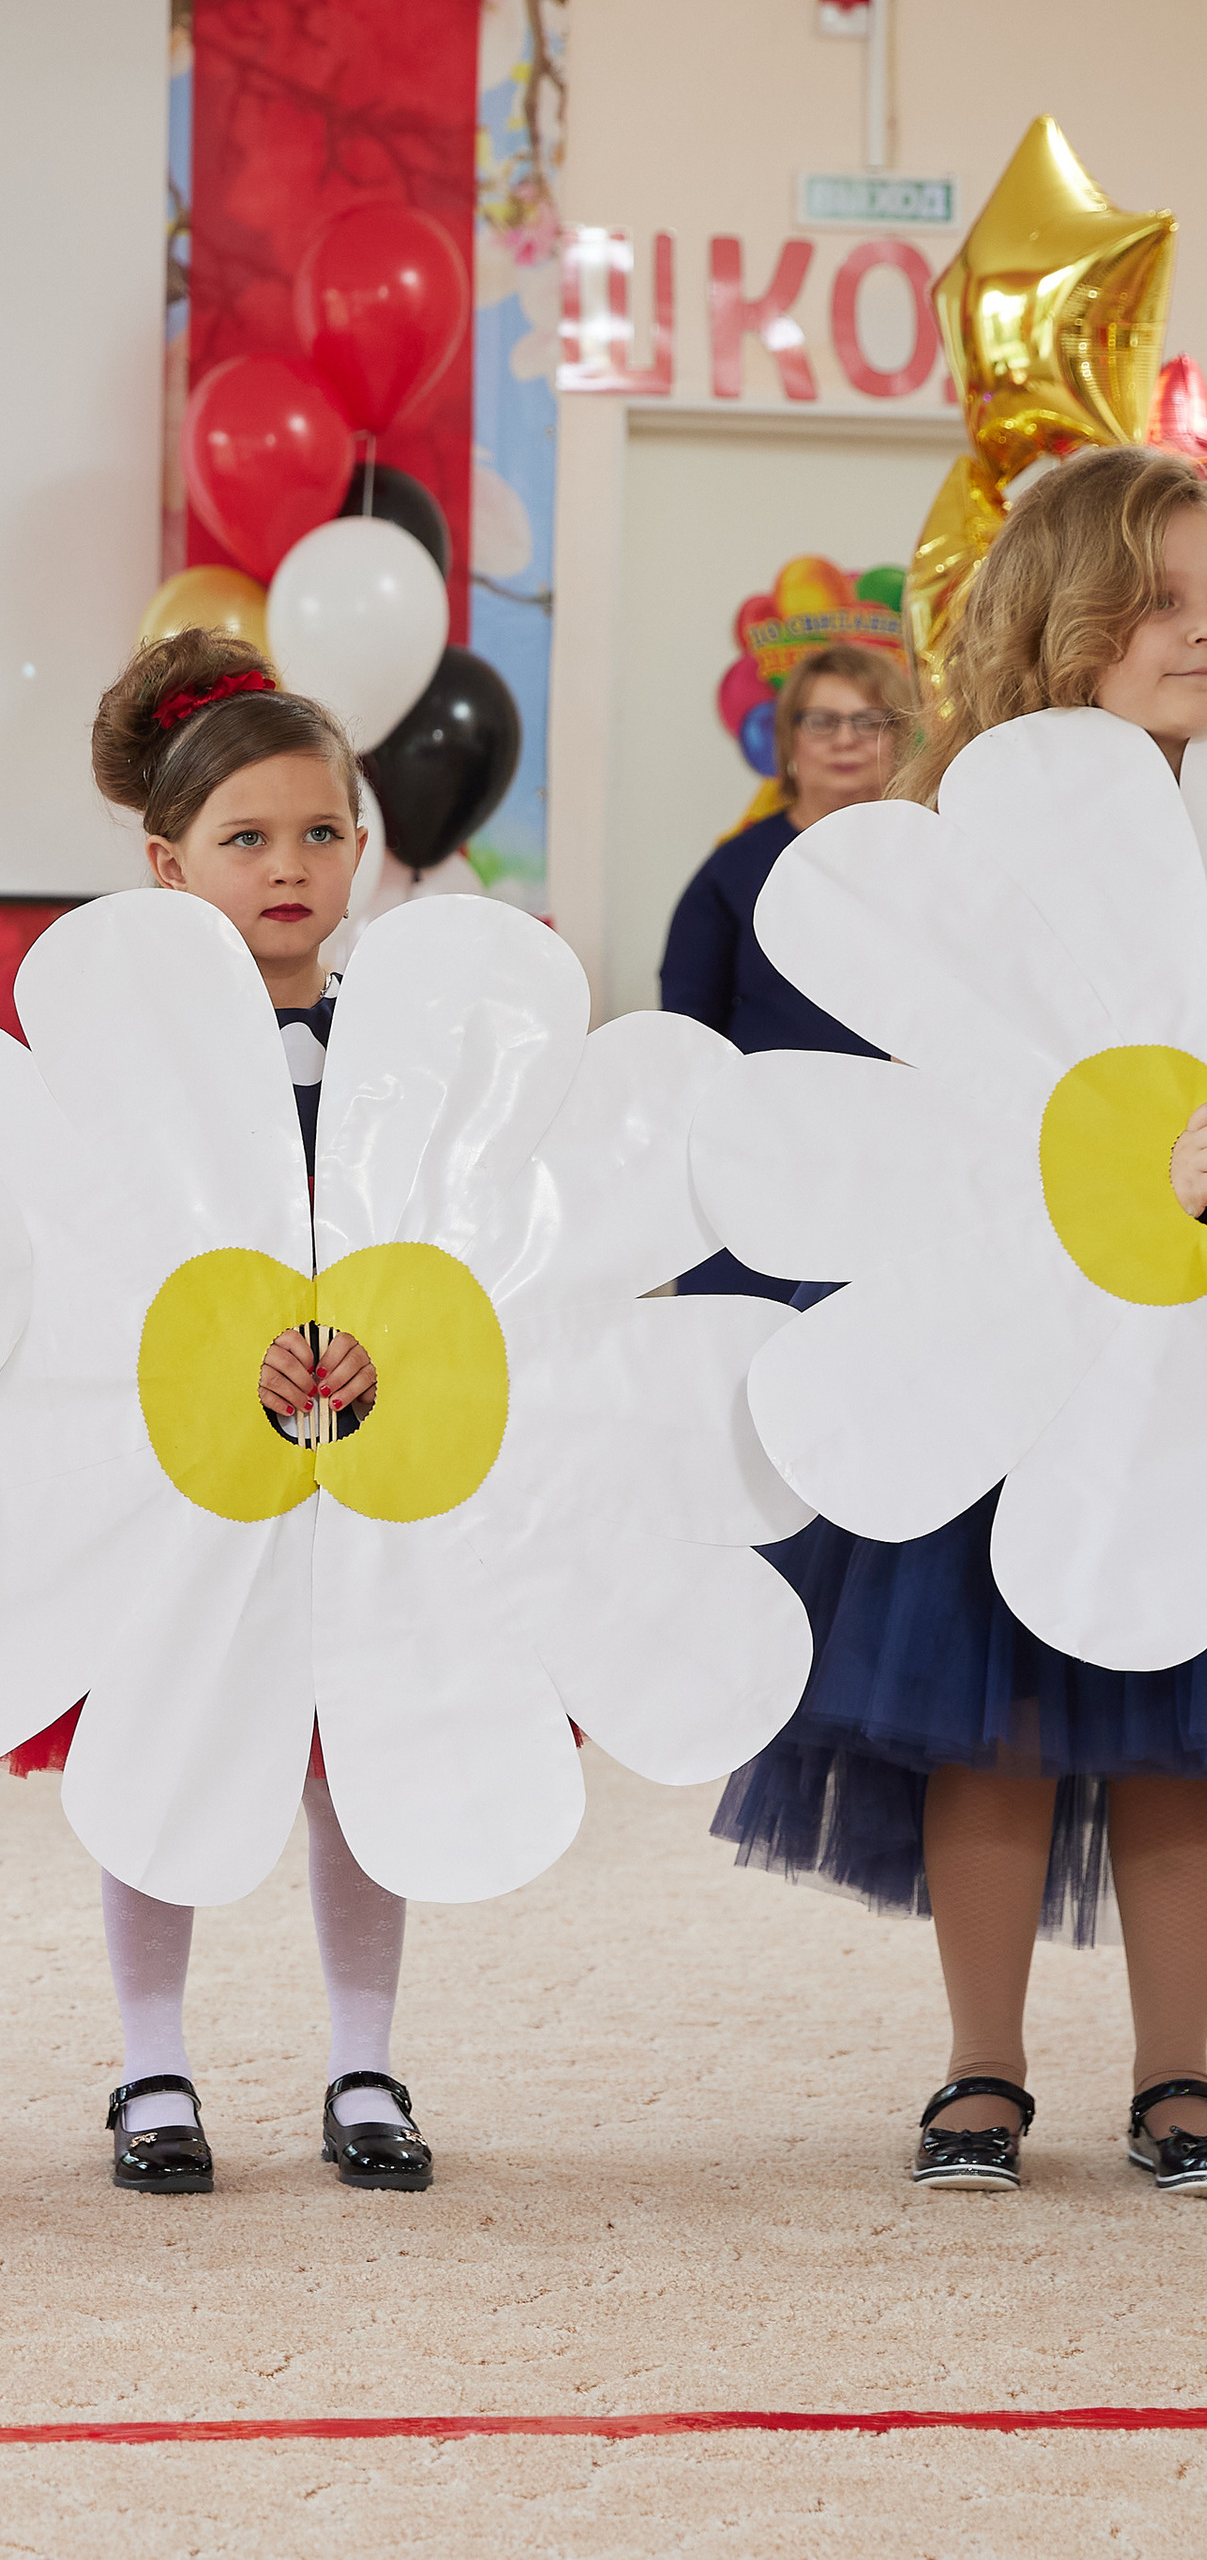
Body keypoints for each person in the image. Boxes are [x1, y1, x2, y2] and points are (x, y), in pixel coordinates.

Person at [713, 445, 1207, 2198]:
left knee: (1182, 1717)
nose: (1197, 630)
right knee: (989, 1712)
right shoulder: (969, 851)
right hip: (1001, 1341)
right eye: (1159, 600)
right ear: (1066, 622)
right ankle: (980, 2064)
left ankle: (1184, 2069)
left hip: (1179, 1349)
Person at [6, 628, 430, 2199]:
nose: (290, 866)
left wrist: (383, 1347)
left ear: (362, 849)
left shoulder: (395, 1048)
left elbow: (436, 1249)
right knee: (167, 1745)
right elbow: (82, 1265)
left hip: (361, 1470)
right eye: (246, 838)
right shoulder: (127, 1064)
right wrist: (209, 1357)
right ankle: (152, 2063)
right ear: (167, 865)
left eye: (322, 832)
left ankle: (365, 2061)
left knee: (355, 1757)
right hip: (179, 1480)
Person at [659, 643, 913, 1298]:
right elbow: (688, 1036)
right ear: (789, 741)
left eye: (869, 720)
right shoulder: (732, 872)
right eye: (822, 721)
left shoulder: (932, 861)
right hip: (760, 1161)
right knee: (741, 1337)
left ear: (899, 737)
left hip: (900, 1156)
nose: (845, 740)